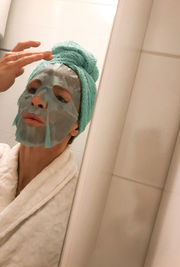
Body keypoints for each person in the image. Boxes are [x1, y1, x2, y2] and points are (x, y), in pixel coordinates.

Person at [0, 40, 99, 267]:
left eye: (60, 98)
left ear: (77, 124)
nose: (37, 100)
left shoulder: (80, 206)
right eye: (33, 89)